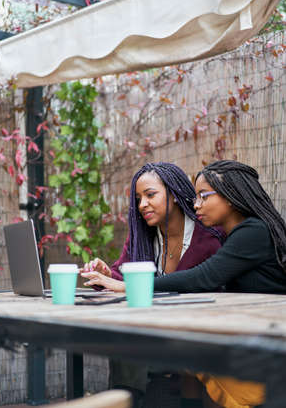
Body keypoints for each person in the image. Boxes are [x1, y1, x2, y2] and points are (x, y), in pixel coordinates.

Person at [82, 159, 286, 408]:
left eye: (203, 196)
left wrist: (132, 286)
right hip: (242, 332)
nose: (196, 203)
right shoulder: (238, 233)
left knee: (195, 352)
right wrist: (111, 278)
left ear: (230, 196)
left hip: (266, 340)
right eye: (138, 198)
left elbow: (205, 277)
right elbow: (120, 273)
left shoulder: (246, 233)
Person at [81, 161, 223, 290]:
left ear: (173, 194)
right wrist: (107, 276)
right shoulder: (141, 236)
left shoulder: (210, 234)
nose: (142, 205)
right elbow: (125, 280)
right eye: (138, 199)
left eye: (150, 195)